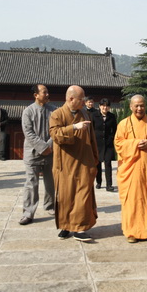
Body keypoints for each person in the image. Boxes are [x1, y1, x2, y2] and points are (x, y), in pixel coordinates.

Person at [114, 94, 147, 243]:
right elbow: (118, 144)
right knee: (132, 201)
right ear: (131, 107)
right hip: (131, 171)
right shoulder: (123, 124)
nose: (139, 108)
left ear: (146, 106)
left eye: (142, 105)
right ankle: (131, 231)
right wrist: (135, 144)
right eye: (136, 106)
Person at [49, 85, 99, 241]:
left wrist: (95, 158)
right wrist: (73, 127)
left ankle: (79, 228)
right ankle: (65, 225)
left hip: (84, 162)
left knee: (82, 196)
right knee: (65, 196)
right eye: (81, 99)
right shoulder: (57, 114)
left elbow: (92, 138)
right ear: (71, 99)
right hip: (65, 164)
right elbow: (55, 134)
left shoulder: (84, 114)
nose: (84, 102)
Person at [19, 84, 55, 225]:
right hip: (32, 153)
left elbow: (56, 129)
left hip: (50, 152)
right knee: (31, 184)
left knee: (50, 182)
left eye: (47, 92)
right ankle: (28, 213)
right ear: (36, 95)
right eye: (44, 92)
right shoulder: (28, 111)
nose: (47, 94)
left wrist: (49, 146)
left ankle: (50, 205)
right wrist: (42, 147)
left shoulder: (54, 111)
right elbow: (28, 133)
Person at [92, 98, 117, 191]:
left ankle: (109, 185)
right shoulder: (94, 115)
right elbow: (91, 129)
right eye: (103, 105)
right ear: (99, 106)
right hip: (97, 143)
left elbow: (115, 130)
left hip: (108, 144)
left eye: (107, 106)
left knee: (108, 163)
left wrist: (112, 138)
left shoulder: (112, 116)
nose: (105, 107)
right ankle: (98, 182)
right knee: (97, 164)